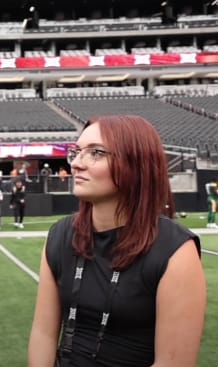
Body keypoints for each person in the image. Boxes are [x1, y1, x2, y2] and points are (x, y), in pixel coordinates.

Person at [28, 115, 205, 367]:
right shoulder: (60, 235)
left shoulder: (175, 251)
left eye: (96, 153)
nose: (77, 163)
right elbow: (43, 334)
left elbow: (174, 362)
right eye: (76, 152)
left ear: (135, 165)